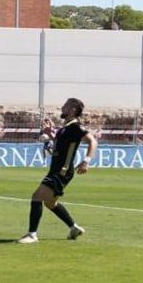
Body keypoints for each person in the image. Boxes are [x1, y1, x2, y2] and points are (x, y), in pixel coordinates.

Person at [19, 97, 96, 244]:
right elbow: (59, 146)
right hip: (57, 170)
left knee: (36, 197)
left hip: (62, 171)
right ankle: (73, 227)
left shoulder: (76, 127)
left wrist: (86, 161)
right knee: (50, 203)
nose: (62, 107)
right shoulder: (66, 128)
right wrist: (52, 135)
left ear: (72, 110)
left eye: (65, 106)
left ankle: (32, 235)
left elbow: (93, 141)